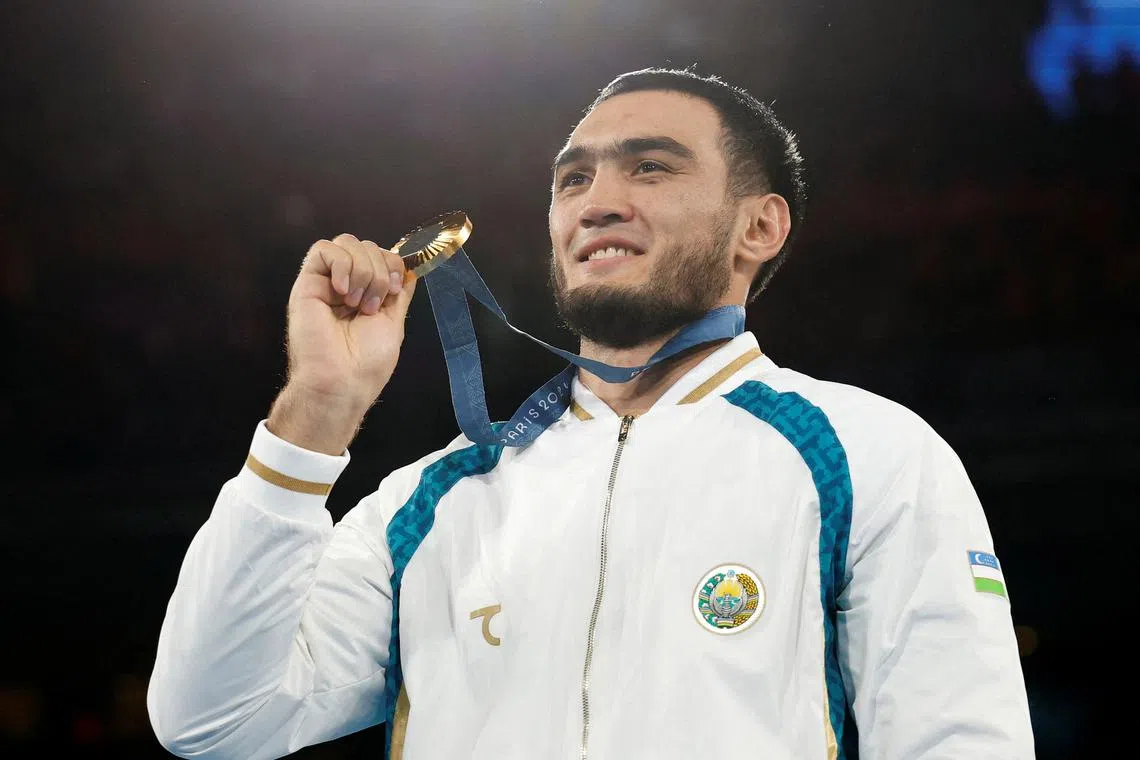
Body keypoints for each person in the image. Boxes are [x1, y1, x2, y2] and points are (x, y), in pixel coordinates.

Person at [147, 68, 1035, 760]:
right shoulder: (435, 500)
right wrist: (314, 416)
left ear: (758, 228)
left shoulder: (869, 455)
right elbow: (211, 718)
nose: (597, 199)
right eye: (573, 179)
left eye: (651, 167)